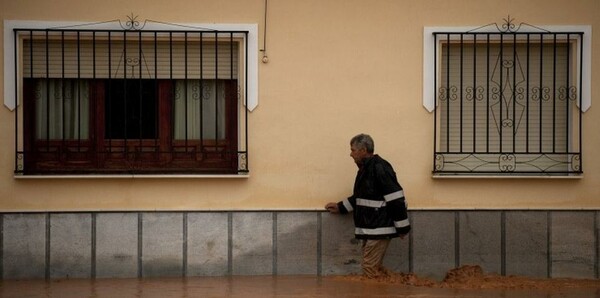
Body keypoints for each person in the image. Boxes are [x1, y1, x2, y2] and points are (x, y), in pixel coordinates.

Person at [325, 133, 410, 278]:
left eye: (353, 150)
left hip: (378, 229)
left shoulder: (379, 167)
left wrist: (402, 228)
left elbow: (396, 198)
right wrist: (341, 207)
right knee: (372, 269)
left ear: (363, 150)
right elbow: (362, 197)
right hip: (372, 229)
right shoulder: (366, 169)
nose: (350, 154)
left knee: (369, 270)